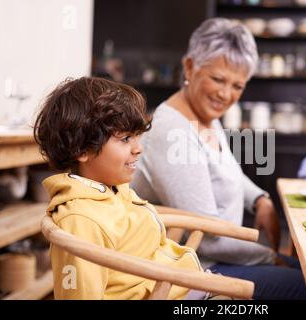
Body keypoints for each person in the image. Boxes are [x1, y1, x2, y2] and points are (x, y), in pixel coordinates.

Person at [131, 18, 306, 300]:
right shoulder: (173, 130)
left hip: (222, 258)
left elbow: (226, 170)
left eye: (238, 86)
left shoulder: (205, 117)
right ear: (189, 67)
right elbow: (210, 238)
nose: (226, 95)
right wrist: (266, 255)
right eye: (218, 79)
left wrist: (259, 199)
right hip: (197, 269)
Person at [34, 77, 203, 299]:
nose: (138, 148)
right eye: (125, 139)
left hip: (185, 280)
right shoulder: (81, 221)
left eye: (136, 136)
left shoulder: (112, 188)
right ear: (81, 149)